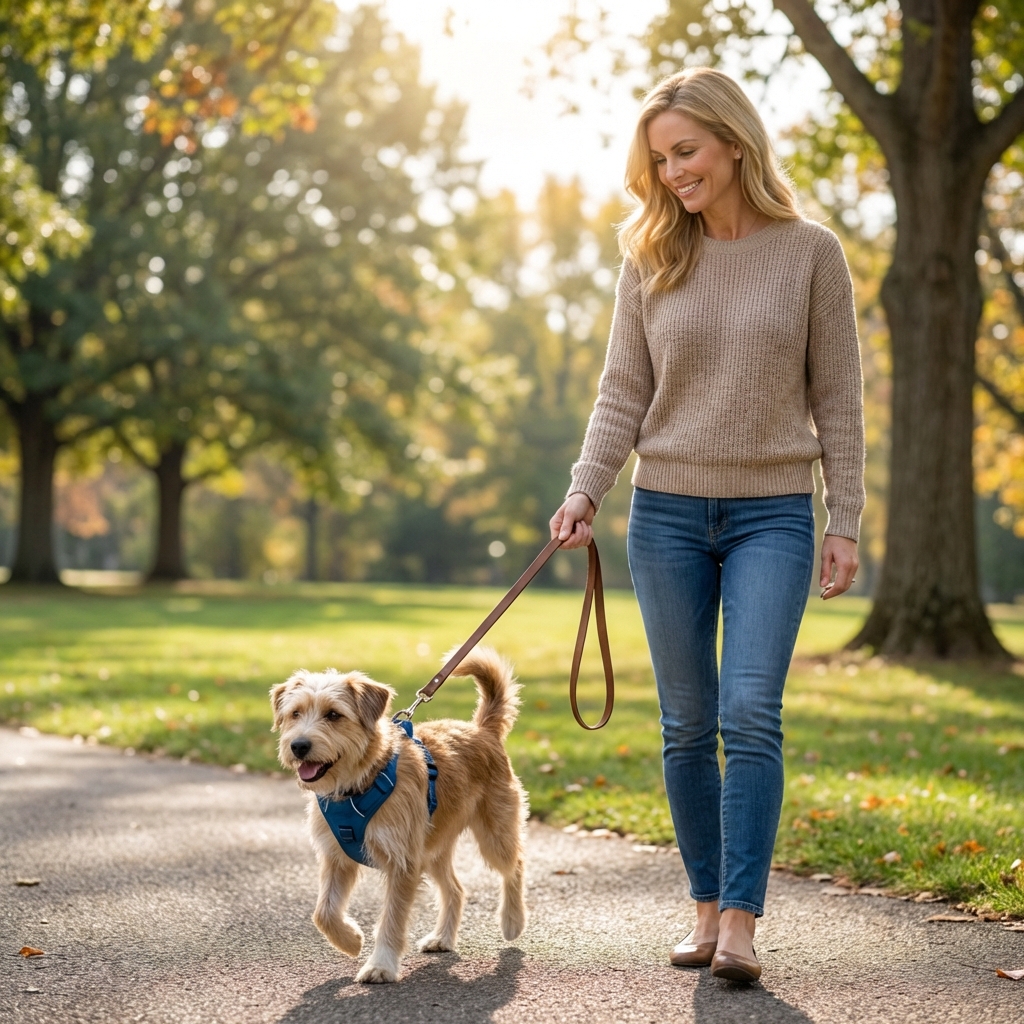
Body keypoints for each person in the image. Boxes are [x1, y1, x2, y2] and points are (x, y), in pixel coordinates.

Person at [549, 67, 864, 983]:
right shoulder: (651, 255)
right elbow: (624, 393)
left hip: (774, 512)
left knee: (748, 713)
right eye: (660, 159)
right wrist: (584, 490)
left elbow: (839, 398)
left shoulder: (812, 252)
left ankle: (740, 924)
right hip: (667, 516)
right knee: (687, 725)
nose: (674, 172)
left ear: (734, 141)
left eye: (686, 150)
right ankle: (700, 909)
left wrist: (844, 517)